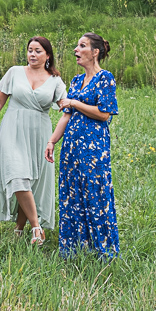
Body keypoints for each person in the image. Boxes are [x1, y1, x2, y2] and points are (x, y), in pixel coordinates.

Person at [0, 37, 67, 245]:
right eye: (30, 50)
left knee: (31, 180)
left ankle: (19, 229)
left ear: (48, 55)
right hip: (12, 129)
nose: (32, 54)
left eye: (38, 51)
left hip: (39, 133)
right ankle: (37, 228)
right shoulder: (14, 72)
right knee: (18, 175)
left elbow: (66, 108)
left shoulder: (55, 81)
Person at [46, 32, 119, 259]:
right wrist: (52, 141)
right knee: (72, 193)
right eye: (77, 46)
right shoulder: (77, 81)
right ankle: (75, 249)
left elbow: (104, 114)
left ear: (95, 52)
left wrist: (75, 102)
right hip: (72, 146)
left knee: (95, 193)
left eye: (82, 46)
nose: (76, 50)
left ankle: (102, 249)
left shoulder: (105, 78)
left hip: (94, 147)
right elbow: (66, 115)